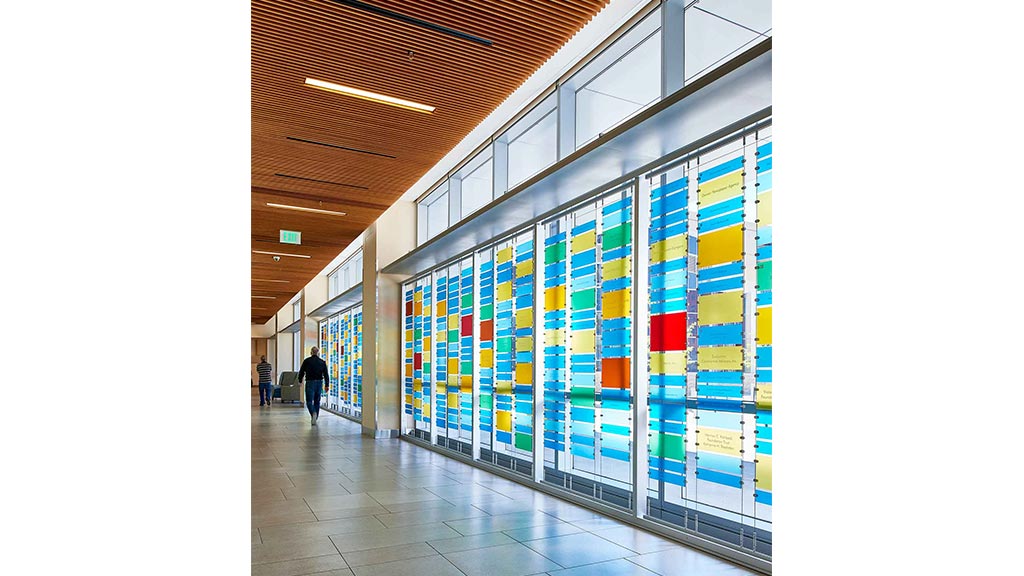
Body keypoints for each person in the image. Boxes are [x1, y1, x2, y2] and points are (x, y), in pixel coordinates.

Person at [297, 347, 329, 425]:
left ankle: (313, 413)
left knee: (309, 401)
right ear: (318, 353)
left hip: (310, 382)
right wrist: (326, 385)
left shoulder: (306, 361)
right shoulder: (322, 362)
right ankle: (315, 417)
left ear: (311, 352)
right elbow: (326, 375)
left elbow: (301, 372)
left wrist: (300, 380)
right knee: (317, 401)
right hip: (319, 383)